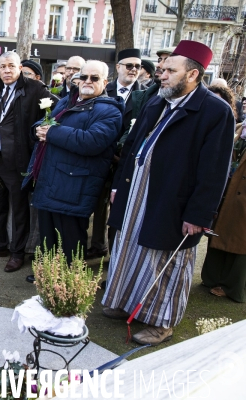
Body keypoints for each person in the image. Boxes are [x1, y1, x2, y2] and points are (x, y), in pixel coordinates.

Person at [103, 41, 235, 345]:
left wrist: (198, 215)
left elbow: (214, 171)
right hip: (136, 193)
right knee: (130, 250)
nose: (161, 74)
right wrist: (117, 187)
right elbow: (133, 147)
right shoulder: (157, 101)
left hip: (172, 202)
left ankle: (162, 323)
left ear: (192, 75)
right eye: (163, 69)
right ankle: (128, 304)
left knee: (165, 262)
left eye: (170, 70)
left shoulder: (216, 111)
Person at [23, 60, 122, 267]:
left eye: (94, 78)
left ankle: (67, 285)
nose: (87, 81)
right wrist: (37, 129)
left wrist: (51, 132)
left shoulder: (109, 111)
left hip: (74, 186)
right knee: (48, 237)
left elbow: (92, 142)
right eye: (83, 77)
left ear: (105, 82)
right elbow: (46, 122)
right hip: (51, 179)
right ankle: (48, 276)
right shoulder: (68, 101)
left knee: (69, 241)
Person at [0, 51, 58, 272]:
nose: (7, 70)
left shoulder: (34, 88)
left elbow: (57, 110)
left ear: (20, 68)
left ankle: (17, 253)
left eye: (11, 66)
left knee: (20, 211)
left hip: (19, 161)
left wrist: (43, 129)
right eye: (3, 67)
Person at [87, 49, 146, 260]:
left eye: (137, 66)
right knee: (95, 203)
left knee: (119, 210)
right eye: (129, 65)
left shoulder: (145, 95)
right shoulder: (102, 88)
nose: (133, 70)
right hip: (99, 156)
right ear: (118, 67)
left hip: (126, 161)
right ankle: (96, 244)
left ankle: (115, 257)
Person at [201, 86, 246, 302]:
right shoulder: (239, 128)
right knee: (219, 237)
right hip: (229, 189)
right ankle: (213, 278)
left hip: (240, 195)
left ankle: (233, 287)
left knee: (239, 244)